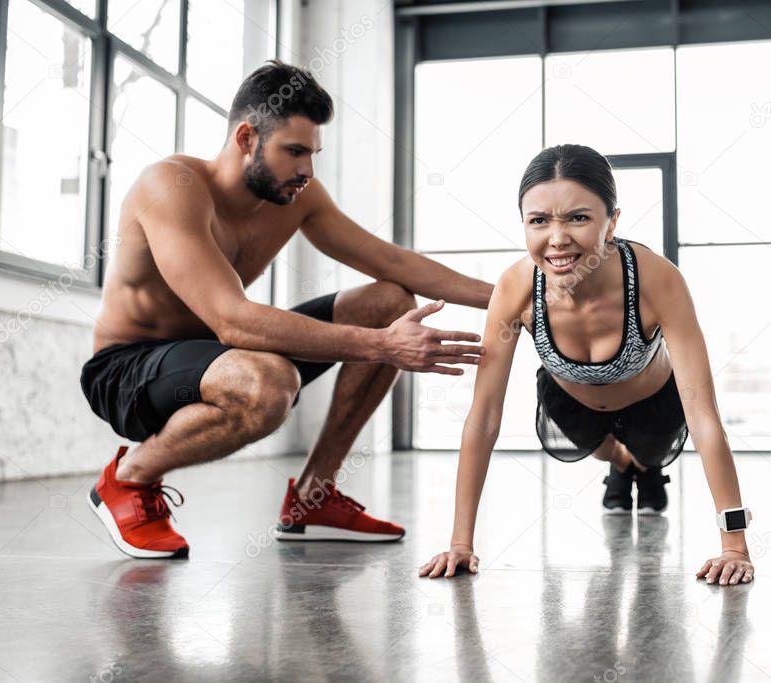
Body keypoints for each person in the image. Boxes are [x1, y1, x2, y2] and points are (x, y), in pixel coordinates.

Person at [80, 60, 493, 559]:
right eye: (294, 151)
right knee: (269, 382)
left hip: (214, 353)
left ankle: (312, 498)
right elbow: (231, 317)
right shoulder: (172, 187)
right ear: (247, 137)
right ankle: (129, 479)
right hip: (129, 370)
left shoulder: (297, 197)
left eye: (312, 153)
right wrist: (383, 346)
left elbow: (391, 261)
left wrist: (521, 299)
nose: (307, 170)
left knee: (388, 301)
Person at [419, 144, 754, 585]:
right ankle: (621, 462)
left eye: (578, 218)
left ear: (612, 221)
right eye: (539, 221)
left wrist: (735, 545)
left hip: (655, 402)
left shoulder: (658, 280)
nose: (557, 239)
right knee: (585, 447)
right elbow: (482, 418)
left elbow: (705, 418)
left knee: (653, 453)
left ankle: (643, 466)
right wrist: (460, 543)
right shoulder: (516, 288)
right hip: (570, 401)